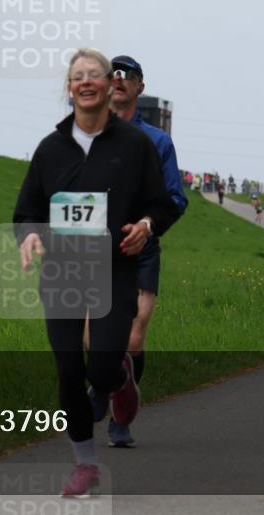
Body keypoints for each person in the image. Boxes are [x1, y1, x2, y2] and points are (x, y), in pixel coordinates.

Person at [13, 48, 180, 496]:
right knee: (69, 368)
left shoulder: (137, 144)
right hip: (63, 273)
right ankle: (84, 463)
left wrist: (146, 226)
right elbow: (27, 210)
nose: (86, 82)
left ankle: (119, 379)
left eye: (94, 75)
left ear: (109, 85)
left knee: (102, 368)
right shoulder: (50, 149)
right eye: (77, 77)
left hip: (115, 269)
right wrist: (29, 236)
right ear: (69, 89)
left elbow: (162, 203)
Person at [106, 54, 187, 448]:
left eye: (128, 75)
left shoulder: (158, 142)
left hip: (141, 249)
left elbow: (176, 198)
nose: (119, 79)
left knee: (133, 340)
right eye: (113, 74)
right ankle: (112, 388)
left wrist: (147, 225)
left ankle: (121, 416)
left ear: (140, 86)